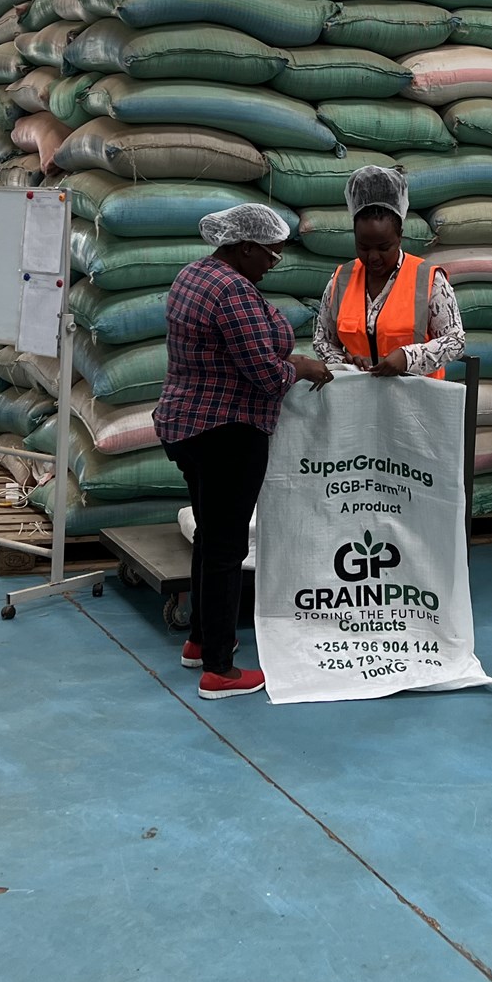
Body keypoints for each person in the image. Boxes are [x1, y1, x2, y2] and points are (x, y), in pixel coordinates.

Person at [153, 203, 332, 701]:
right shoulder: (232, 292)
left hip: (186, 426)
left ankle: (198, 640)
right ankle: (220, 670)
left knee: (210, 538)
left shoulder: (194, 274)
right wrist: (300, 365)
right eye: (271, 253)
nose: (274, 261)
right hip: (226, 432)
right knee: (228, 547)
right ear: (245, 246)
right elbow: (268, 377)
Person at [314, 164, 466, 379]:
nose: (373, 257)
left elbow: (455, 340)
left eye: (384, 247)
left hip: (415, 400)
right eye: (363, 247)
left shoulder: (428, 280)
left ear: (400, 236)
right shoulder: (341, 279)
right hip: (358, 396)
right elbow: (324, 340)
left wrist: (409, 357)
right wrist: (344, 362)